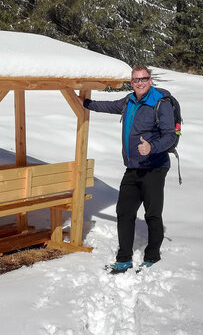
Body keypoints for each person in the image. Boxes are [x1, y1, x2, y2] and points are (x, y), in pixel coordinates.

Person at [80, 66, 177, 274]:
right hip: (133, 168)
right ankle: (123, 259)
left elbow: (170, 135)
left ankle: (152, 255)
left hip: (155, 167)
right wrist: (85, 103)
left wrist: (152, 147)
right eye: (135, 80)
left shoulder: (161, 103)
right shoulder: (129, 101)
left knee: (152, 213)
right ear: (131, 82)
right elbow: (107, 106)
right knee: (124, 211)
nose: (139, 83)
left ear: (150, 80)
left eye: (143, 79)